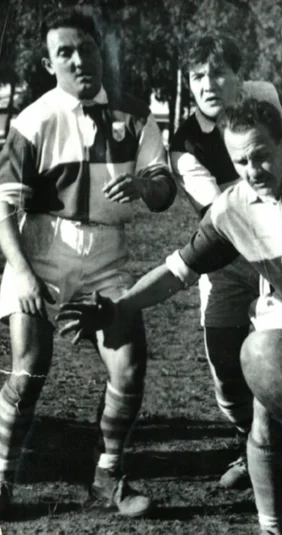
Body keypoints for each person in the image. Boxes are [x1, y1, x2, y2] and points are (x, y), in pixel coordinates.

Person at [59, 98, 282, 534]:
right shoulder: (232, 208)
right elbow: (177, 271)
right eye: (240, 159)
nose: (252, 169)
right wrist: (119, 306)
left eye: (261, 155)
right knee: (264, 416)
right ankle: (271, 527)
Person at [0, 9, 176, 518]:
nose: (79, 61)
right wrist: (25, 273)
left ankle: (108, 477)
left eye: (87, 49)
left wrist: (145, 185)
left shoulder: (136, 114)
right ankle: (3, 480)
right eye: (65, 53)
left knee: (129, 367)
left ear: (102, 50)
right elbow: (5, 213)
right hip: (40, 248)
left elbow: (165, 192)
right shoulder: (33, 121)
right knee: (29, 370)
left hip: (107, 254)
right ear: (48, 62)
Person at [168, 33, 282, 491]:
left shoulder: (267, 97)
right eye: (197, 76)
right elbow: (224, 213)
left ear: (239, 74)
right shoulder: (184, 141)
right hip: (227, 253)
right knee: (225, 367)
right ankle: (246, 439)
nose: (208, 84)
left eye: (218, 72)